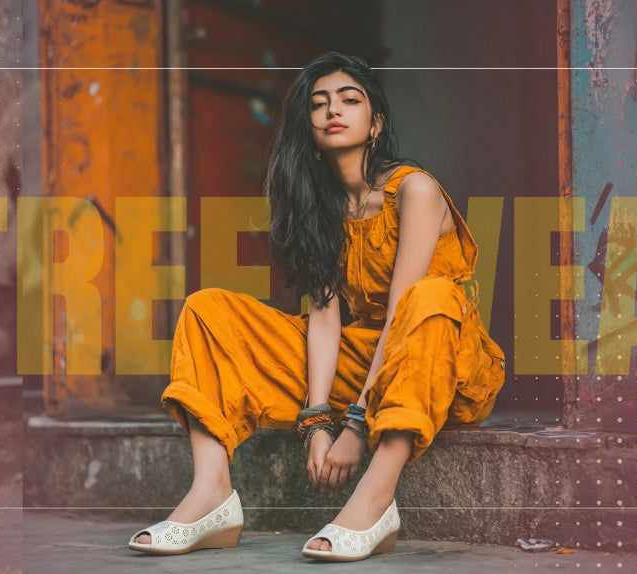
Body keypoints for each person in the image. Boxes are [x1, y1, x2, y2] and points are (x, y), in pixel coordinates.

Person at [128, 51, 505, 562]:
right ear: (307, 126)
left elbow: (403, 314)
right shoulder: (320, 208)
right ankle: (211, 493)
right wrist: (317, 419)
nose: (333, 110)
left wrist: (356, 426)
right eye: (319, 103)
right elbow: (326, 317)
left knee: (430, 295)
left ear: (375, 124)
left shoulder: (415, 189)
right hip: (367, 363)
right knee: (207, 310)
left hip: (441, 361)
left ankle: (375, 500)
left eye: (350, 100)